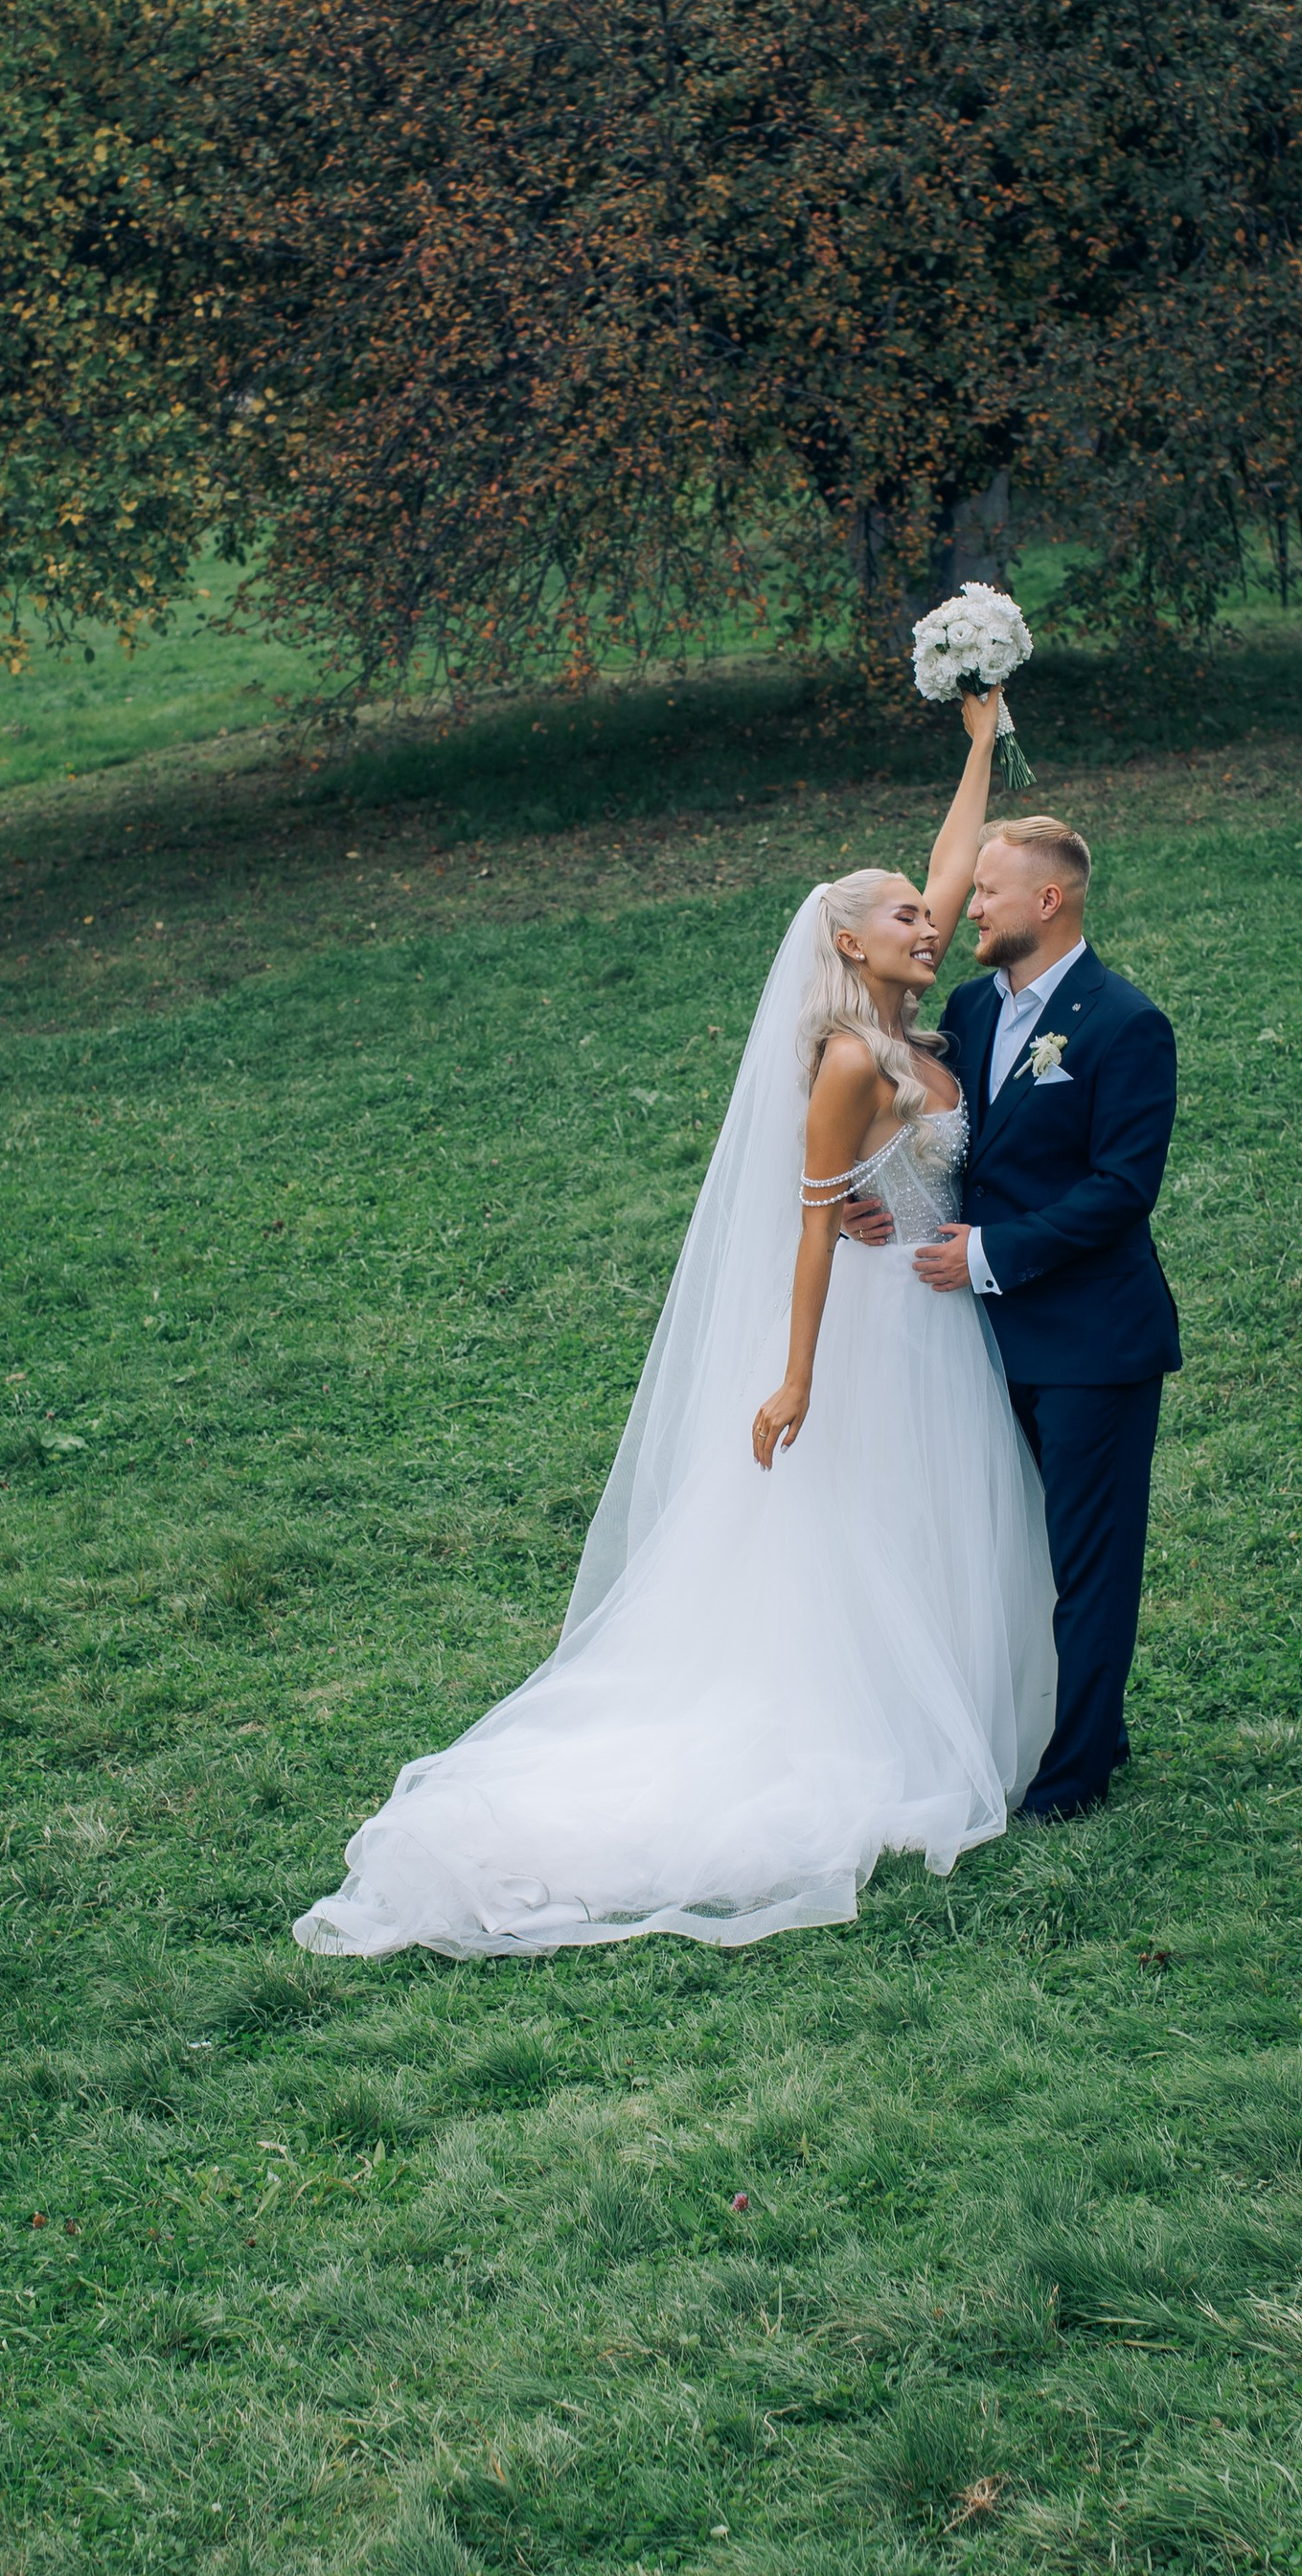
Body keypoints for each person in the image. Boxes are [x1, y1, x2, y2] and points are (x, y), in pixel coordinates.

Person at [292, 695, 1055, 1960]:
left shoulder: (908, 1033)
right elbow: (810, 1226)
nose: (936, 920)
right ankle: (859, 1733)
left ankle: (946, 1714)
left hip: (938, 1324)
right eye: (907, 918)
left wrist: (979, 744)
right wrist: (795, 1380)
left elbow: (944, 866)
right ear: (851, 944)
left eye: (933, 914)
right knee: (858, 1535)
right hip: (870, 1334)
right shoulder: (851, 1062)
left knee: (928, 1528)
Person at [890, 813, 1179, 1821]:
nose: (968, 910)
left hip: (1092, 1342)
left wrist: (989, 1254)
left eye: (987, 892)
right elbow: (947, 1141)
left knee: (1088, 1562)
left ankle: (1074, 1778)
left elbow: (1121, 1189)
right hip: (982, 1345)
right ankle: (1059, 1728)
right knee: (1016, 1547)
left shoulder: (1124, 1023)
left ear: (1046, 901)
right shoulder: (969, 1010)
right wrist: (884, 1205)